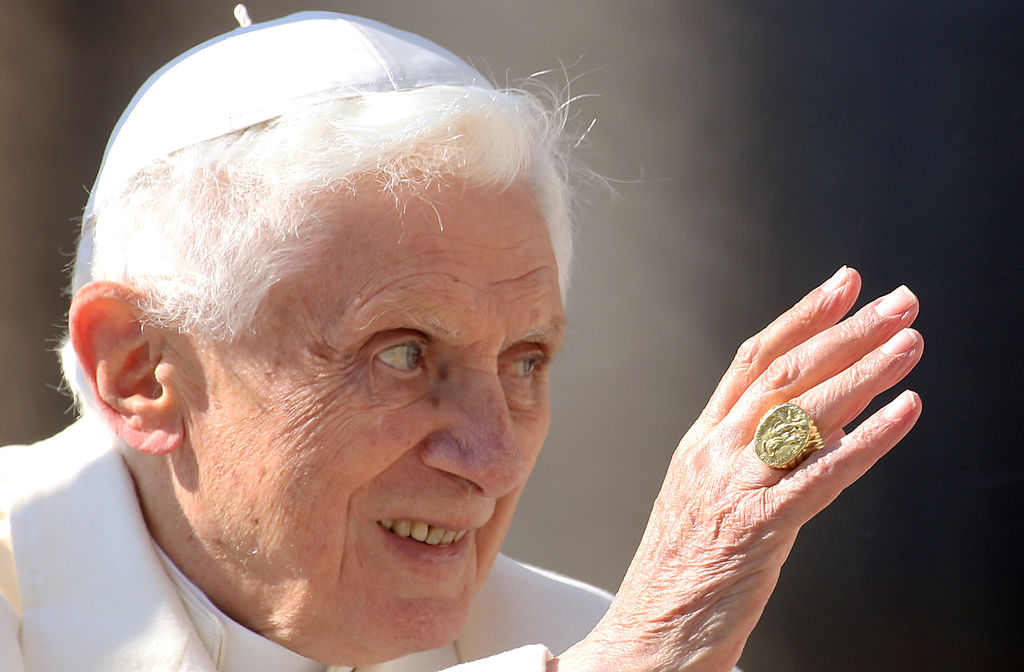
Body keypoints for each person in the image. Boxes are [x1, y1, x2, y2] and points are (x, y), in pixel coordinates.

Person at [0, 8, 924, 672]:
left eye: (526, 362)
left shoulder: (563, 627)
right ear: (140, 368)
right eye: (402, 353)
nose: (490, 459)